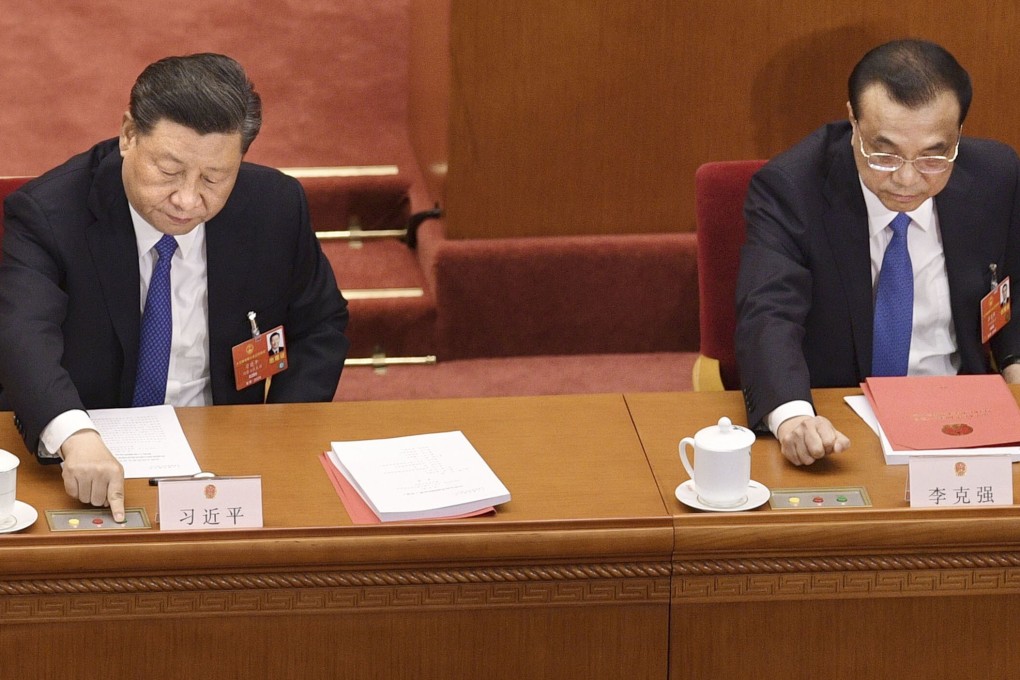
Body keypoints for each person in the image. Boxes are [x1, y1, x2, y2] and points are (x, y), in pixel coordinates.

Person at [0, 53, 350, 521]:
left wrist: (279, 428)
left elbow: (321, 324)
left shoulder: (275, 207)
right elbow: (21, 332)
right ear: (128, 136)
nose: (187, 200)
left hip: (223, 450)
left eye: (213, 178)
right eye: (169, 171)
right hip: (89, 450)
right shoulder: (49, 214)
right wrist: (72, 434)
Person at [735, 39, 1020, 467]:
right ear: (853, 119)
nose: (906, 179)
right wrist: (794, 419)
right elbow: (768, 313)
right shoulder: (793, 189)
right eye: (884, 153)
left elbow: (1012, 293)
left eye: (932, 156)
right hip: (838, 422)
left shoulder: (995, 177)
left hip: (964, 421)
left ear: (959, 133)